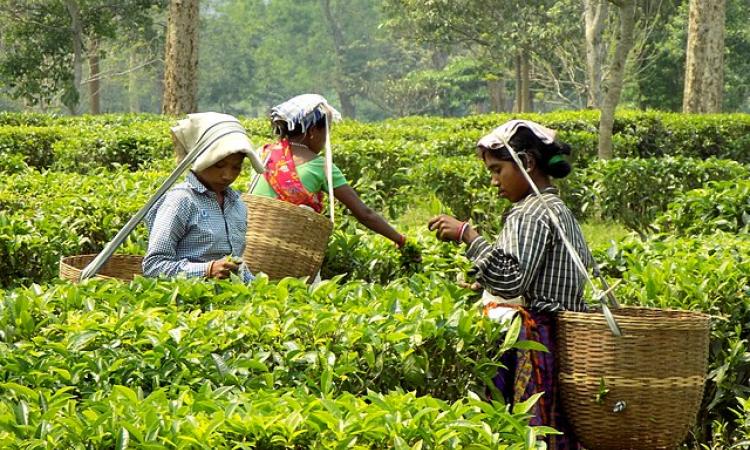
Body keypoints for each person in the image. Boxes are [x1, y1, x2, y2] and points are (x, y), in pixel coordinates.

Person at [428, 119, 588, 449]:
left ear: (527, 163)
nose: (494, 181)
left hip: (534, 341)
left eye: (498, 170)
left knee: (526, 431)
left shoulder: (530, 212)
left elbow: (511, 280)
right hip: (556, 338)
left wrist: (467, 236)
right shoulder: (557, 208)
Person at [250, 94, 408, 248]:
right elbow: (364, 214)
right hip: (290, 252)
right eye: (327, 131)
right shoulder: (321, 166)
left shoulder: (263, 153)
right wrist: (399, 239)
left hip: (252, 243)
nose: (327, 138)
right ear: (312, 132)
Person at [143, 112, 264, 282]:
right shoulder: (181, 201)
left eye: (236, 167)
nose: (227, 175)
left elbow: (236, 265)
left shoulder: (236, 204)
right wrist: (206, 270)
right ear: (201, 159)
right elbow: (153, 266)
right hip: (189, 302)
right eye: (219, 165)